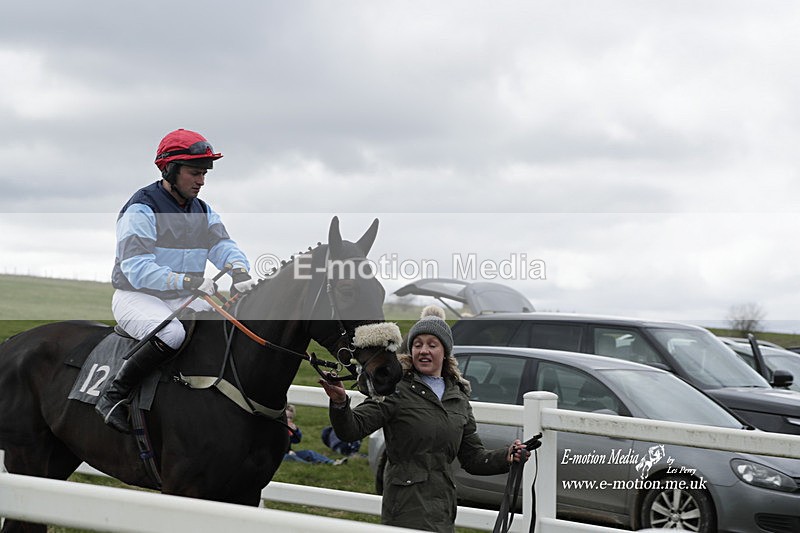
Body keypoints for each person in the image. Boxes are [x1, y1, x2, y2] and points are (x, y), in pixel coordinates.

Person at [96, 128, 258, 434]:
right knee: (171, 335)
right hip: (137, 295)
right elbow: (137, 268)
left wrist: (239, 271)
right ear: (170, 170)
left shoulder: (202, 210)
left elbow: (222, 244)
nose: (201, 181)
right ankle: (113, 396)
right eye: (195, 173)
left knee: (225, 328)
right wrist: (188, 281)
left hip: (180, 295)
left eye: (204, 174)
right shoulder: (141, 208)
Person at [320, 305, 530, 533]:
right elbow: (352, 429)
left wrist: (507, 456)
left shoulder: (458, 397)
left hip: (443, 511)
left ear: (445, 351)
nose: (423, 351)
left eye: (432, 345)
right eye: (417, 344)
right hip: (405, 510)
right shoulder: (396, 390)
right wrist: (340, 403)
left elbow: (473, 459)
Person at [283, 405, 347, 466]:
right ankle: (311, 465)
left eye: (290, 418)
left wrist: (295, 431)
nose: (288, 420)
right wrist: (288, 452)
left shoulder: (289, 429)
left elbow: (297, 440)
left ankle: (332, 462)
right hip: (280, 455)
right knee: (290, 457)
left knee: (309, 453)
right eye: (286, 417)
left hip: (289, 452)